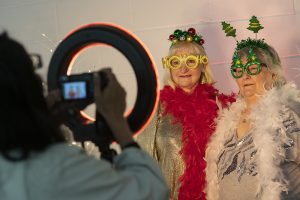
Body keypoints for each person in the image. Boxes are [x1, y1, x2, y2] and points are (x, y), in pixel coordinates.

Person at [0, 32, 168, 200]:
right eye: (32, 72)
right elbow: (151, 191)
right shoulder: (58, 169)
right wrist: (117, 121)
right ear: (26, 87)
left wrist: (45, 120)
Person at [205, 18, 300, 200]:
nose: (245, 75)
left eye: (253, 67)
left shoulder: (289, 116)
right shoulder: (228, 119)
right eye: (238, 70)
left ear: (273, 72)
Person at [137, 28, 235, 200]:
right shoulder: (155, 107)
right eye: (176, 62)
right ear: (169, 66)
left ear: (203, 65)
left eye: (190, 61)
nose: (183, 69)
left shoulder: (222, 107)